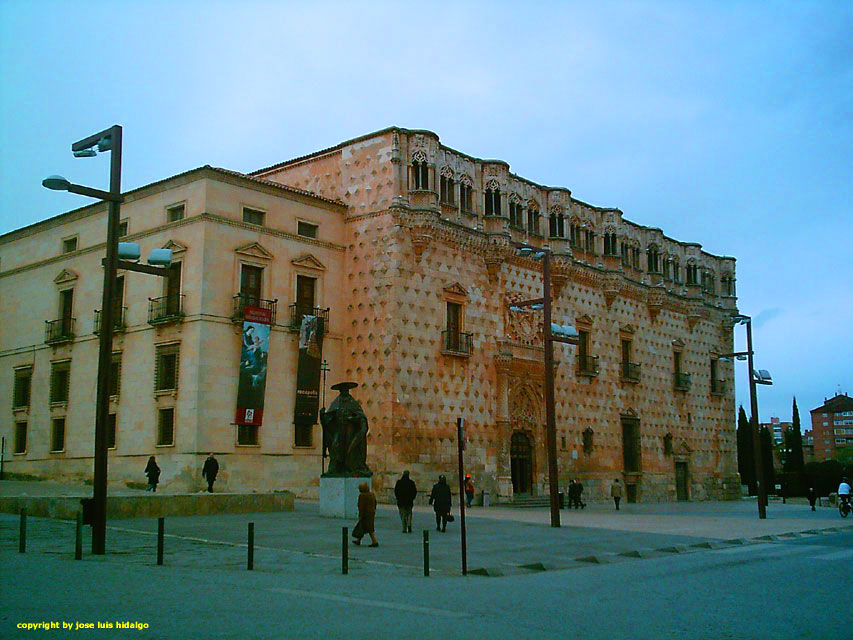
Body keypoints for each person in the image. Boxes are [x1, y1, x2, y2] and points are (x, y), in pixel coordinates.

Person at [352, 482, 379, 547]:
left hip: (365, 514)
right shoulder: (372, 494)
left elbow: (361, 507)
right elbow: (375, 502)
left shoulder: (362, 496)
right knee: (363, 526)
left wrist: (360, 515)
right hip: (371, 513)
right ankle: (358, 540)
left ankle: (374, 541)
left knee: (368, 527)